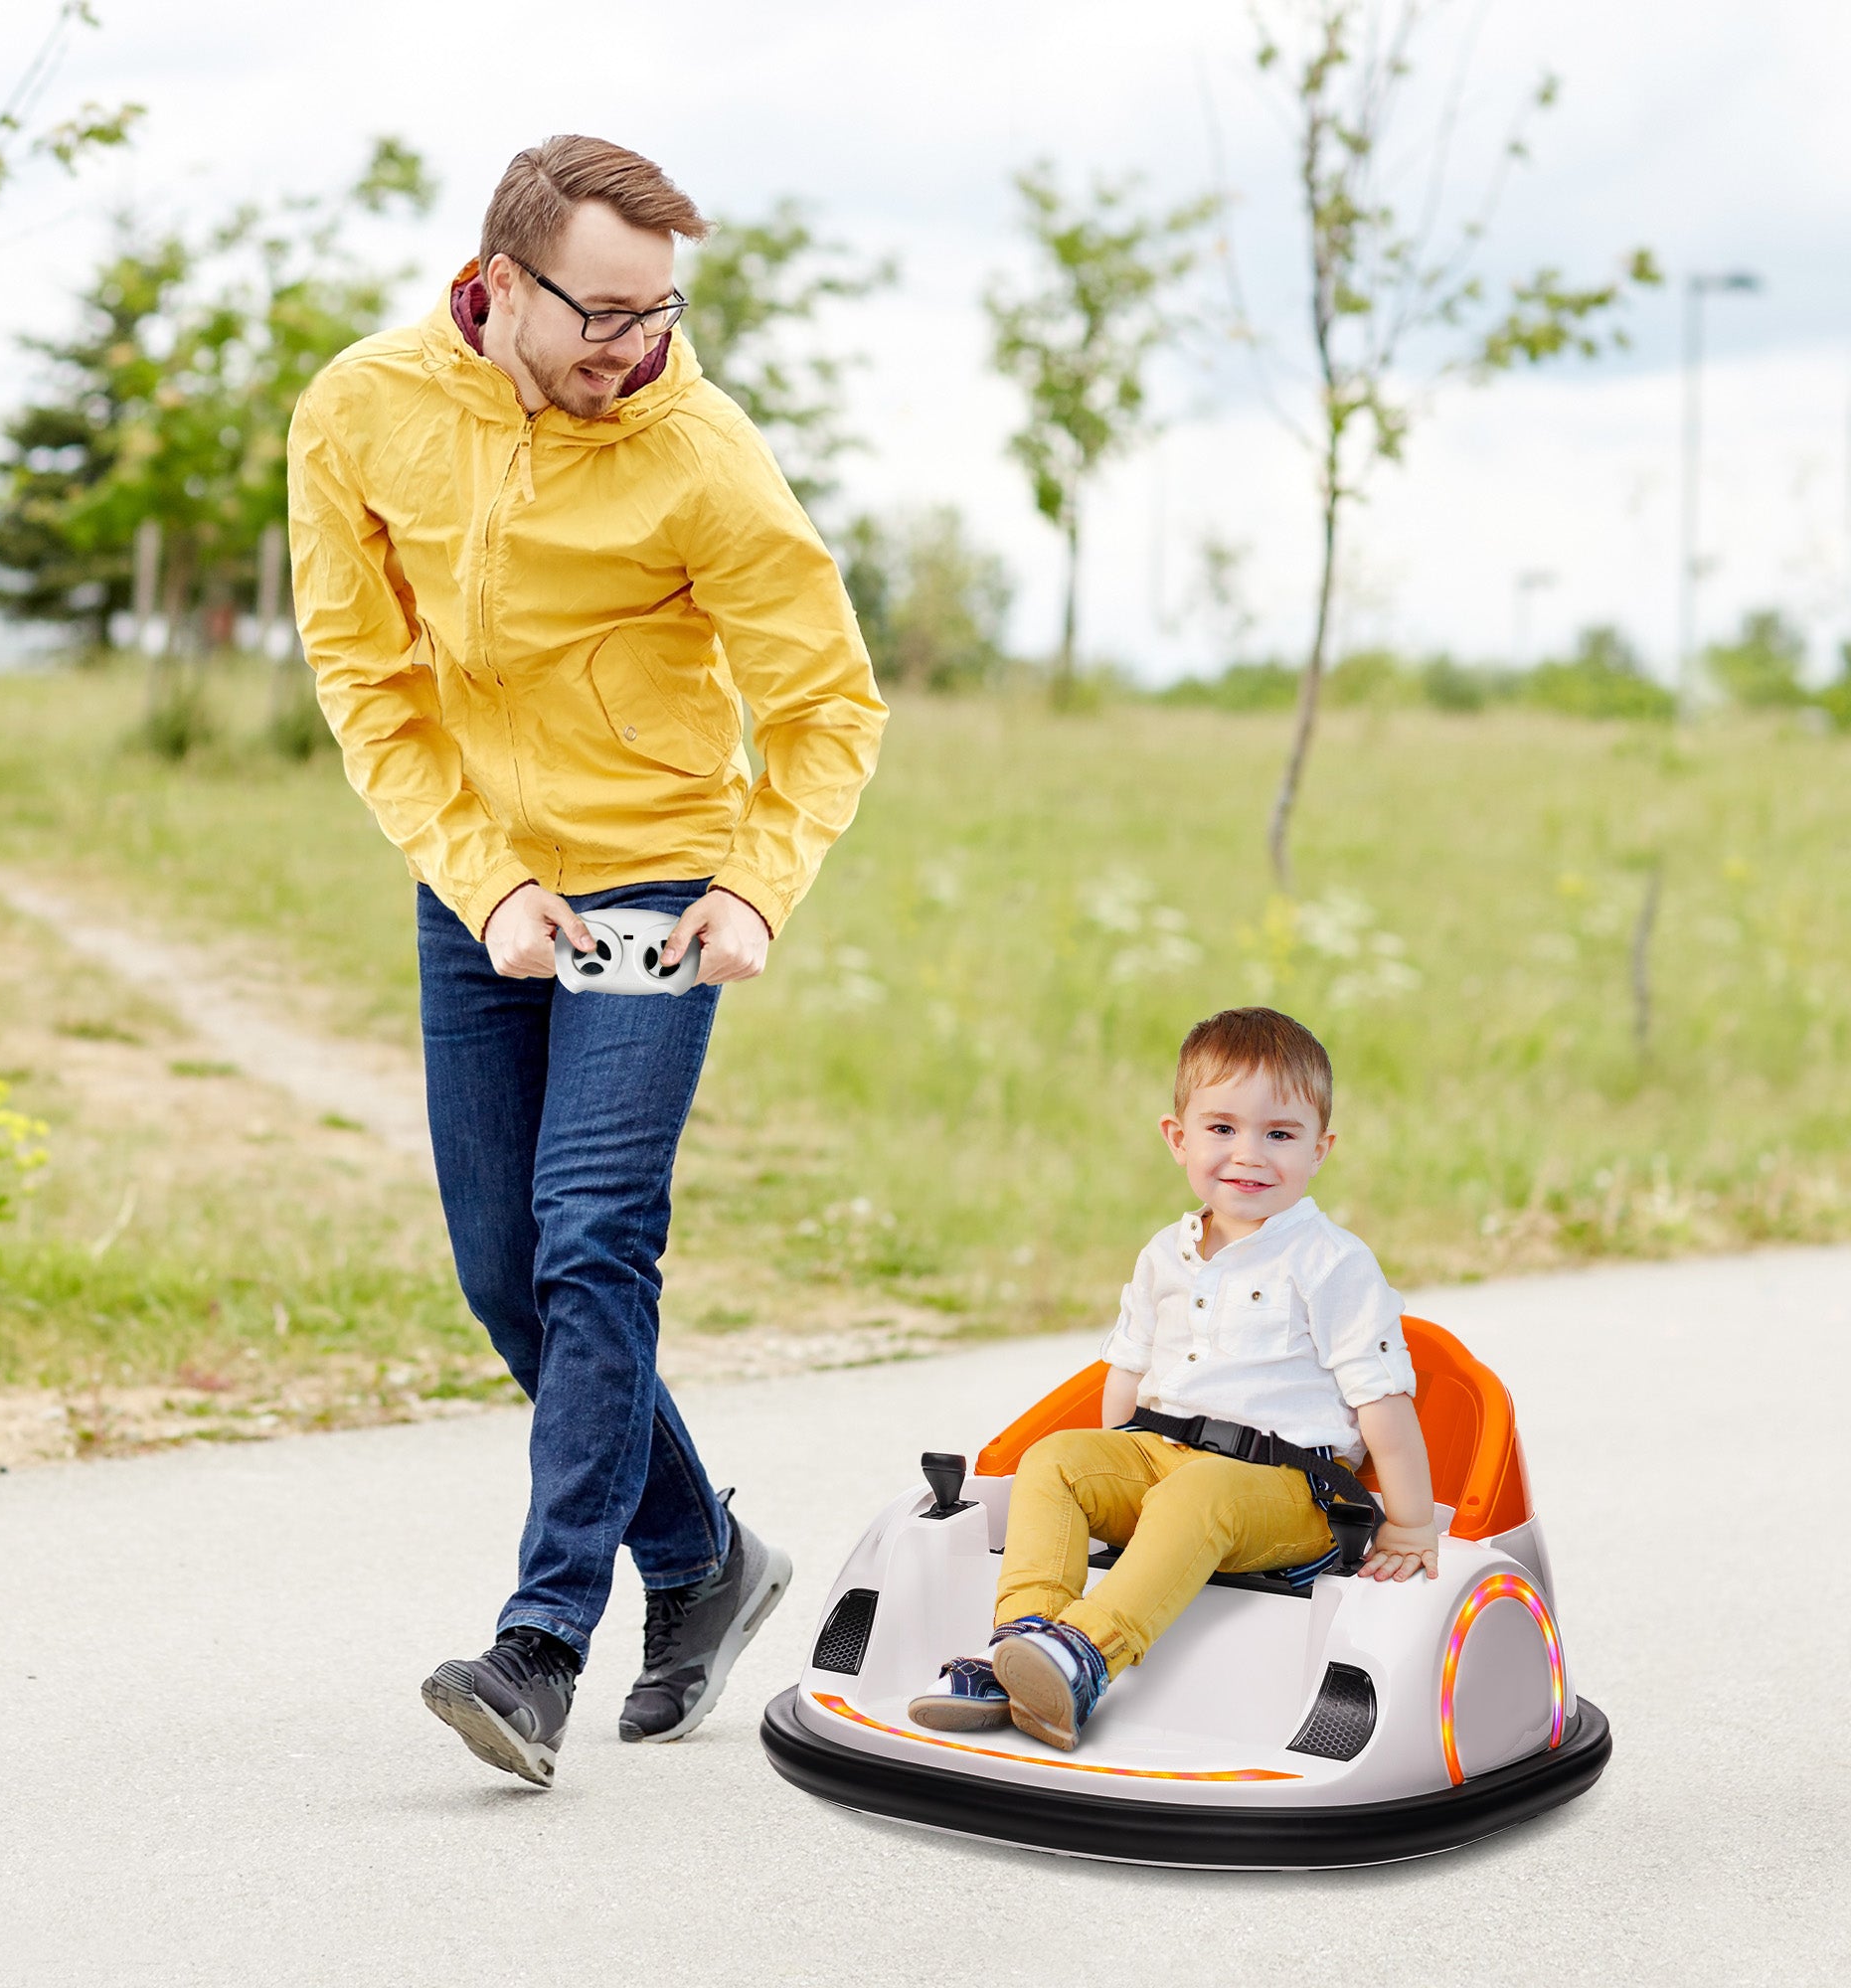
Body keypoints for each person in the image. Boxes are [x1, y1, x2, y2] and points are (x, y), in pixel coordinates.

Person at [286, 135, 886, 1788]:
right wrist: (483, 887)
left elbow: (831, 703)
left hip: (656, 888)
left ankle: (540, 1649)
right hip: (481, 884)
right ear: (500, 280)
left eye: (661, 309)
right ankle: (702, 1560)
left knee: (593, 1236)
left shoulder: (703, 456)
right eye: (604, 312)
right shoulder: (360, 410)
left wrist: (757, 887)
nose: (639, 345)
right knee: (502, 1271)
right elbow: (368, 683)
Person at [910, 1007, 1437, 1751]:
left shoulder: (1333, 1262)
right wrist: (1113, 1470)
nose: (1248, 1154)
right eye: (1222, 1129)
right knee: (1057, 1458)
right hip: (1164, 1462)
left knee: (1198, 1490)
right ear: (1178, 1137)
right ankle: (1020, 1646)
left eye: (1279, 1134)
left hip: (1290, 1493)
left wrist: (1411, 1524)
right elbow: (1128, 1372)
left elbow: (1382, 1399)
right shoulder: (1165, 1252)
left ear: (1320, 1149)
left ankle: (1086, 1652)